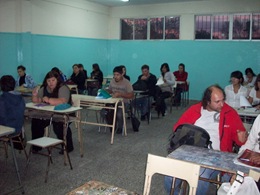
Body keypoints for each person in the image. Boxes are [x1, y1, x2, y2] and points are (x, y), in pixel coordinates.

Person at [165, 84, 247, 195]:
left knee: (200, 177)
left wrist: (242, 138)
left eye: (223, 100)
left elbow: (240, 141)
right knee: (170, 175)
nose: (222, 104)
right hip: (190, 152)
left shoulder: (230, 113)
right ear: (207, 101)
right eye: (217, 102)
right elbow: (178, 128)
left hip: (216, 156)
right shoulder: (195, 109)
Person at [31, 71, 74, 153]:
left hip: (64, 113)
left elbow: (63, 101)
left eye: (53, 80)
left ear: (57, 80)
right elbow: (37, 101)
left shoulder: (63, 87)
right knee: (36, 121)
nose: (50, 83)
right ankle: (36, 146)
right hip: (48, 113)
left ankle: (68, 146)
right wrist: (34, 95)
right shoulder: (44, 88)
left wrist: (49, 100)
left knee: (59, 125)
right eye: (48, 81)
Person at [107, 66, 134, 134]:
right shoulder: (112, 81)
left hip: (124, 102)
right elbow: (110, 90)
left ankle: (120, 126)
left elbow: (131, 95)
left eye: (117, 75)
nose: (115, 76)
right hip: (113, 102)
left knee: (119, 113)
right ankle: (112, 124)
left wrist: (120, 94)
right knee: (104, 112)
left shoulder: (127, 83)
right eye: (114, 75)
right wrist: (105, 92)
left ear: (122, 74)